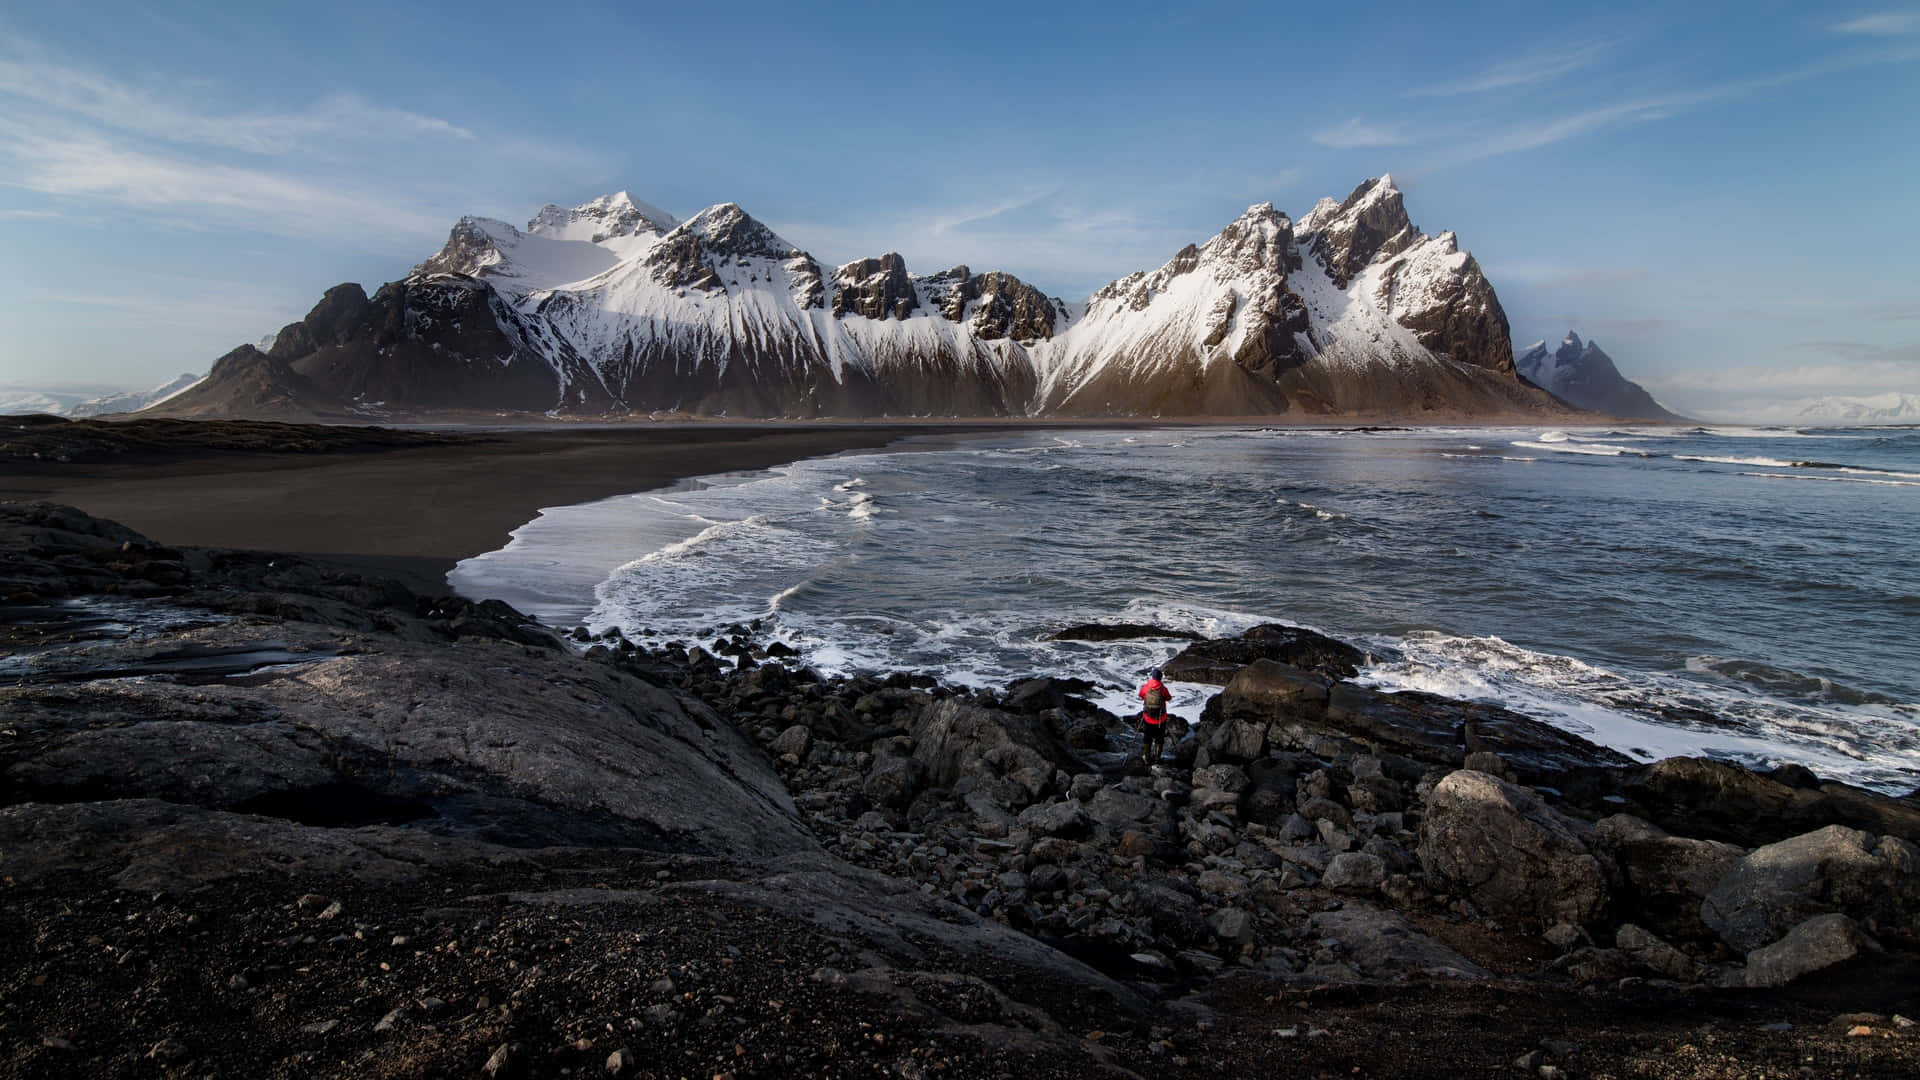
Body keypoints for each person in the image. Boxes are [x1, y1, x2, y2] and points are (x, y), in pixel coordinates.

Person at [1137, 667, 1173, 765]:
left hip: (1148, 718)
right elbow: (1168, 698)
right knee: (1159, 738)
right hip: (1161, 719)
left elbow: (1141, 695)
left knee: (1147, 738)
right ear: (1160, 678)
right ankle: (1157, 759)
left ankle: (1147, 759)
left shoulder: (1146, 687)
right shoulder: (1163, 689)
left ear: (1152, 677)